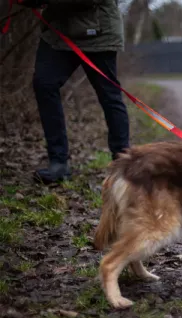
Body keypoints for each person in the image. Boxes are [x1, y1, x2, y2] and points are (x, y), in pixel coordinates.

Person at [20, 0, 130, 184]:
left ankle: (124, 166)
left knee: (109, 95)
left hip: (99, 31)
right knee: (44, 84)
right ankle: (58, 163)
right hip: (60, 32)